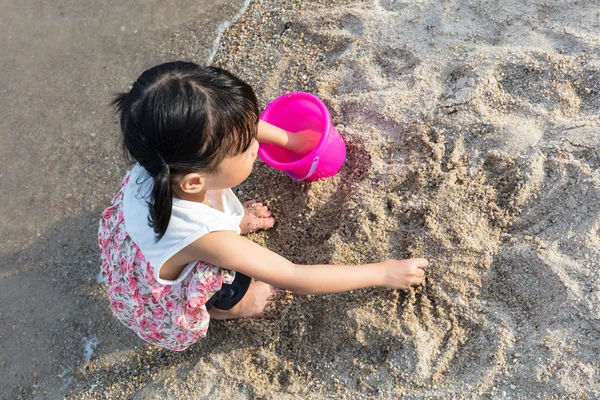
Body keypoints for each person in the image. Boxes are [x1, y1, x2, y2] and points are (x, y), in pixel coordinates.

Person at [98, 61, 428, 351]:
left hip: (142, 243)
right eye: (245, 147)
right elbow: (293, 275)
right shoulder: (206, 237)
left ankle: (233, 224)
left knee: (215, 232)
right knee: (232, 280)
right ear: (195, 182)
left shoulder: (162, 153)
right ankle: (231, 306)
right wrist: (382, 272)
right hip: (168, 281)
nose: (256, 146)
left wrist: (292, 140)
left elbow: (237, 124)